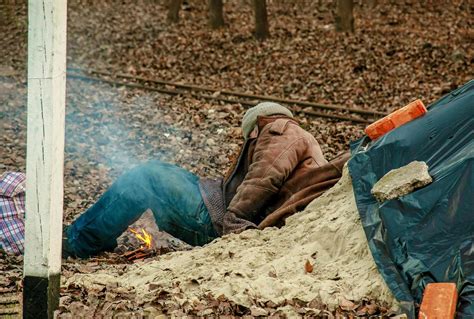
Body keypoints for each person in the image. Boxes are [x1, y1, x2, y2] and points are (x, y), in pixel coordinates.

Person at [63, 102, 349, 258]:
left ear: (255, 126)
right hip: (216, 207)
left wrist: (234, 221)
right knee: (155, 171)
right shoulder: (300, 139)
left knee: (145, 176)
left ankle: (81, 241)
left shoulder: (280, 130)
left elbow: (264, 179)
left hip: (218, 217)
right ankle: (94, 234)